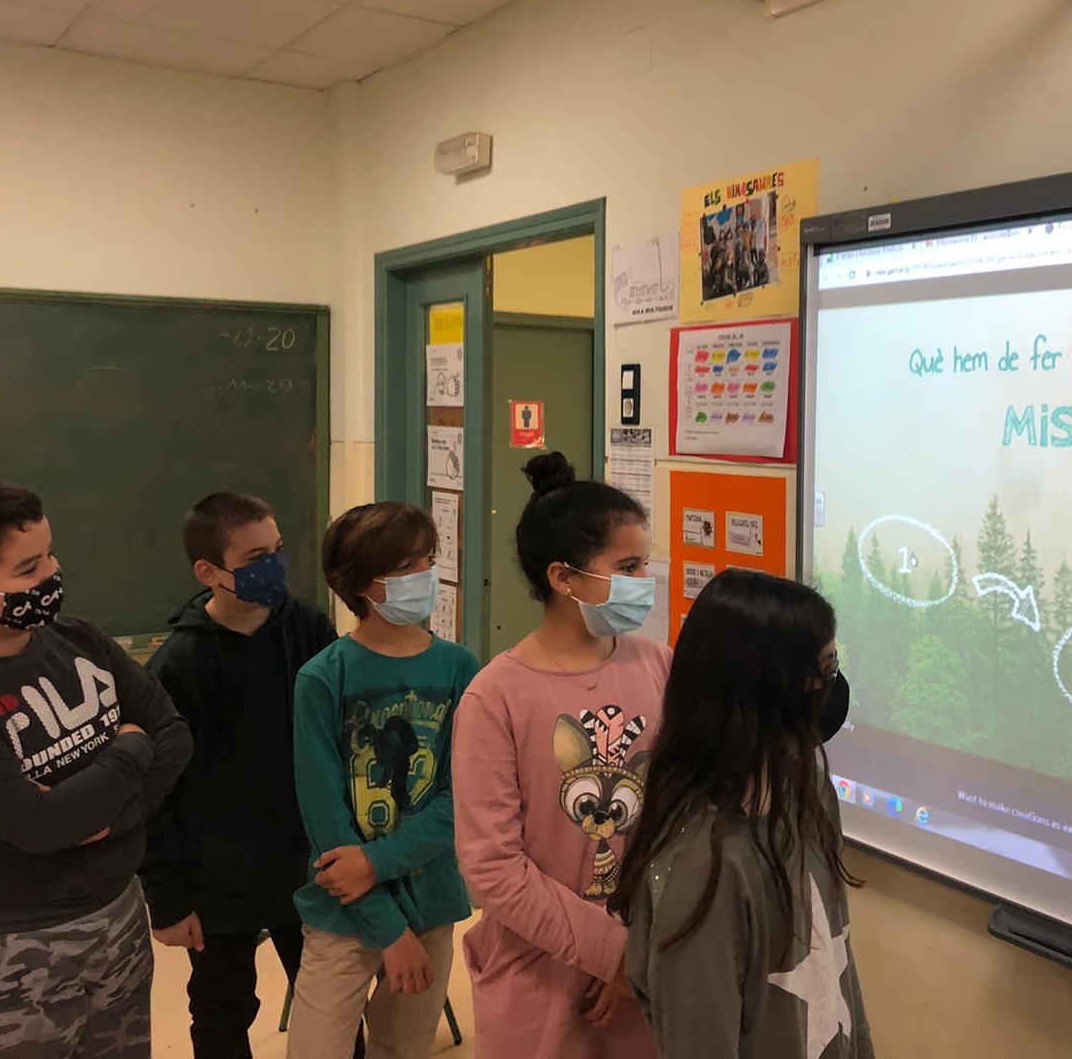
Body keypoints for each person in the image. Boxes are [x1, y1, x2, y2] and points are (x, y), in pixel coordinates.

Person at [0, 477, 193, 1058]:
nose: (52, 574)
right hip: (13, 949)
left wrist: (110, 818)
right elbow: (40, 825)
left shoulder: (79, 639)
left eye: (50, 555)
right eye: (28, 569)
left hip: (118, 914)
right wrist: (129, 747)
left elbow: (172, 733)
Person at [451, 452, 670, 1059]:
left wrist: (643, 950)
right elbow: (492, 866)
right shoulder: (496, 696)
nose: (643, 580)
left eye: (644, 564)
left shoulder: (658, 665)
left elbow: (681, 812)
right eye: (627, 567)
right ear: (563, 577)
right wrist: (612, 953)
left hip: (649, 962)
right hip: (538, 975)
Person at [610, 569, 873, 1059]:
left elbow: (838, 966)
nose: (833, 687)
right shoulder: (702, 865)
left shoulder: (806, 785)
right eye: (825, 668)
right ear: (764, 689)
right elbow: (699, 1039)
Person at [140, 492, 348, 1059]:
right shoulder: (178, 665)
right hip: (218, 883)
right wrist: (168, 900)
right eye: (256, 558)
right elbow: (156, 796)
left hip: (311, 867)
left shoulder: (308, 627)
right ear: (209, 572)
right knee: (222, 1008)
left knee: (332, 1007)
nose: (275, 567)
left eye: (277, 550)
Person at [286, 501, 479, 1059]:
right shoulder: (323, 677)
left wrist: (377, 862)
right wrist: (388, 928)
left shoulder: (460, 668)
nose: (424, 574)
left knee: (404, 1047)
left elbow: (463, 795)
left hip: (431, 904)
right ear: (360, 584)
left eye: (428, 559)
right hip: (344, 911)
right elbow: (325, 816)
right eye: (403, 566)